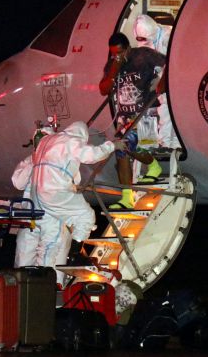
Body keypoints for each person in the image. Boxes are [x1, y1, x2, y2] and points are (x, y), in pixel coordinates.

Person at [12, 121, 123, 282]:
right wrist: (112, 146)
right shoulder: (70, 141)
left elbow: (18, 182)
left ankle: (30, 286)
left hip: (36, 207)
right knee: (85, 217)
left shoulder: (42, 149)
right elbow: (90, 156)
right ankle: (74, 256)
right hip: (53, 199)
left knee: (40, 249)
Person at [99, 32, 166, 208]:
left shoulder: (143, 55)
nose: (117, 56)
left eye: (120, 52)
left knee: (136, 147)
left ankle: (153, 166)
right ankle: (126, 198)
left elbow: (169, 64)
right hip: (125, 117)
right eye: (113, 53)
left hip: (147, 112)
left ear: (128, 48)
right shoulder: (113, 64)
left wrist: (161, 82)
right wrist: (115, 67)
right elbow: (103, 89)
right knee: (120, 150)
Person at [133, 14, 179, 150]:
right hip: (159, 75)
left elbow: (172, 62)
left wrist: (161, 81)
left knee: (167, 109)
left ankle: (171, 143)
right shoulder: (145, 37)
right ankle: (153, 143)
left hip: (171, 77)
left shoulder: (167, 37)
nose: (145, 43)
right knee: (150, 107)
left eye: (146, 40)